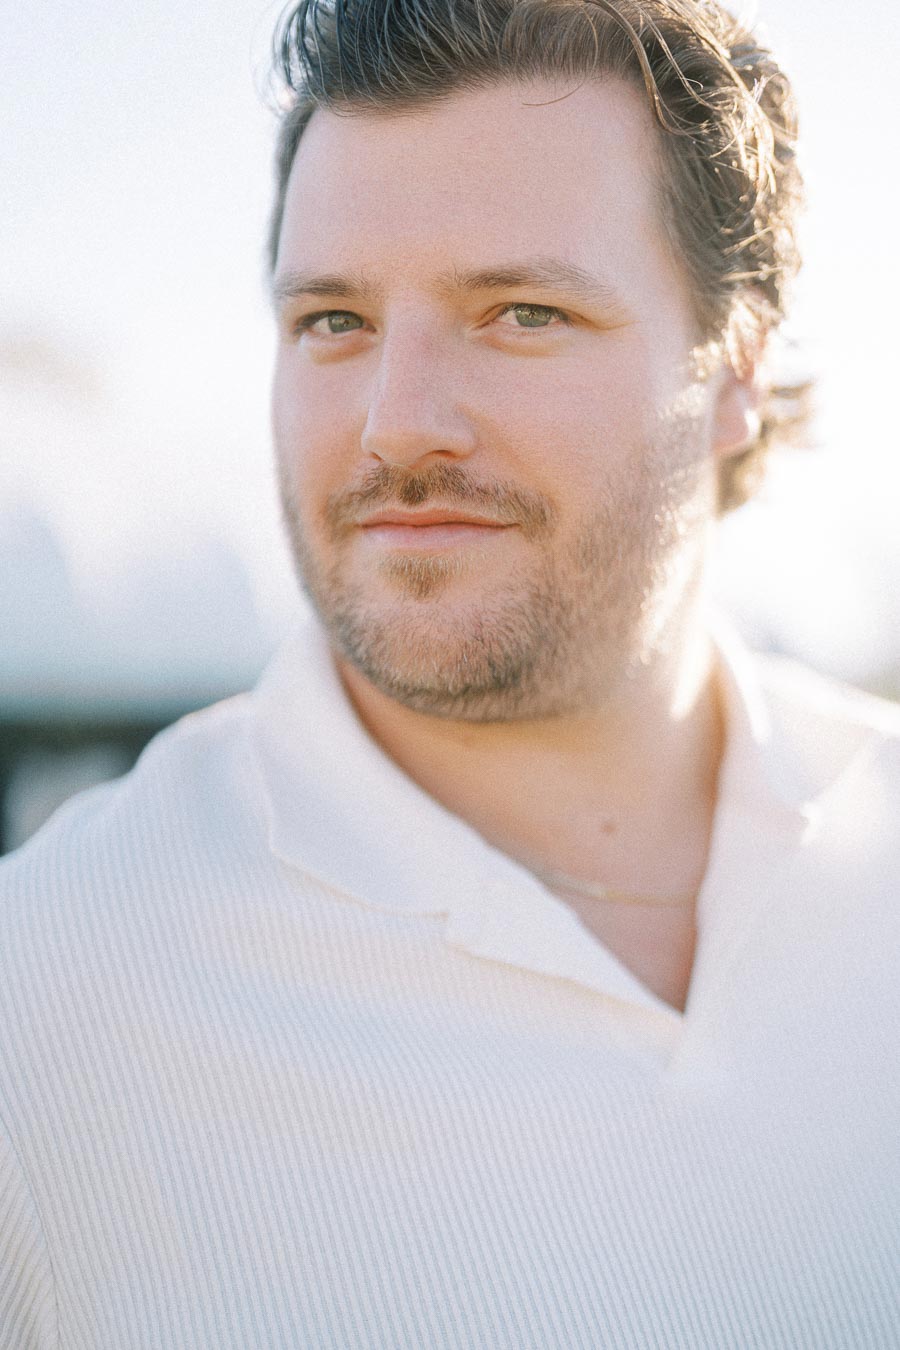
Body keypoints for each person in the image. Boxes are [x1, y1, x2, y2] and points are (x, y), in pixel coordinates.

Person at [1, 0, 898, 1344]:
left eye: (521, 311)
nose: (396, 420)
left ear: (738, 374)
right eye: (332, 321)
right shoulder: (44, 1004)